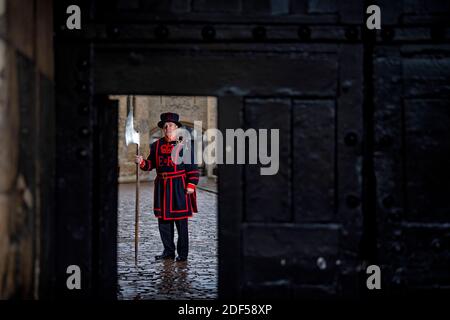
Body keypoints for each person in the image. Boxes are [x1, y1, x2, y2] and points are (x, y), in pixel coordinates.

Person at [135, 112, 199, 262]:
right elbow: (151, 164)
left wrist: (191, 184)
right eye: (165, 126)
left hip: (179, 187)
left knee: (181, 223)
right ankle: (168, 251)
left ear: (176, 127)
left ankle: (182, 254)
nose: (168, 127)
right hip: (162, 187)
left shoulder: (185, 146)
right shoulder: (156, 145)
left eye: (170, 125)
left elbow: (193, 168)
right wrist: (142, 162)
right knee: (164, 222)